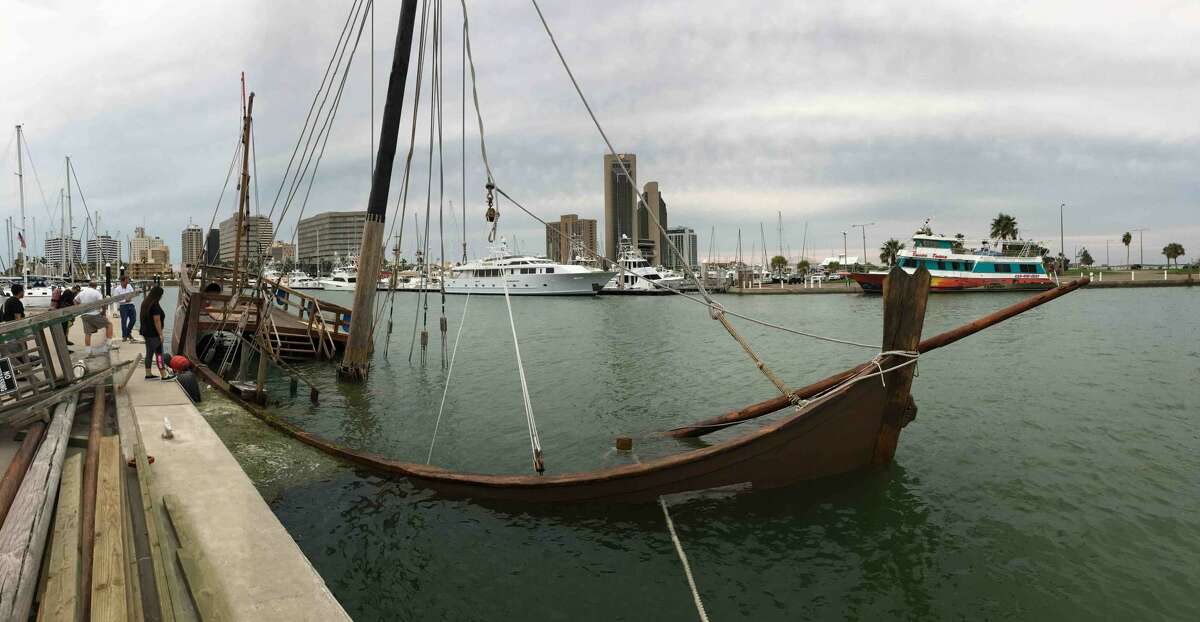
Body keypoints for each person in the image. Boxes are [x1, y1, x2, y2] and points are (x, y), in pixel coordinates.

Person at [139, 285, 175, 380]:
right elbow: (157, 320)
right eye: (161, 295)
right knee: (159, 355)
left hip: (146, 333)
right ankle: (164, 374)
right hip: (154, 334)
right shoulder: (154, 305)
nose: (162, 297)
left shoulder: (145, 302)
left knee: (149, 354)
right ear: (158, 295)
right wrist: (160, 334)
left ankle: (148, 373)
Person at [75, 280, 114, 358]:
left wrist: (79, 309)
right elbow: (102, 303)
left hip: (84, 315)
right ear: (95, 286)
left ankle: (88, 352)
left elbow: (75, 300)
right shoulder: (97, 293)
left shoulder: (82, 292)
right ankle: (109, 345)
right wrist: (103, 312)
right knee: (109, 325)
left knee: (88, 333)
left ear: (89, 285)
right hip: (94, 314)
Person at [112, 276, 138, 342]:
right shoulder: (117, 289)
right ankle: (124, 336)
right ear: (122, 281)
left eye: (128, 281)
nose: (128, 282)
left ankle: (127, 333)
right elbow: (116, 299)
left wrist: (131, 297)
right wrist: (125, 301)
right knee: (124, 321)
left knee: (133, 319)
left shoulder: (129, 286)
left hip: (131, 304)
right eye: (126, 281)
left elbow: (132, 294)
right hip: (123, 306)